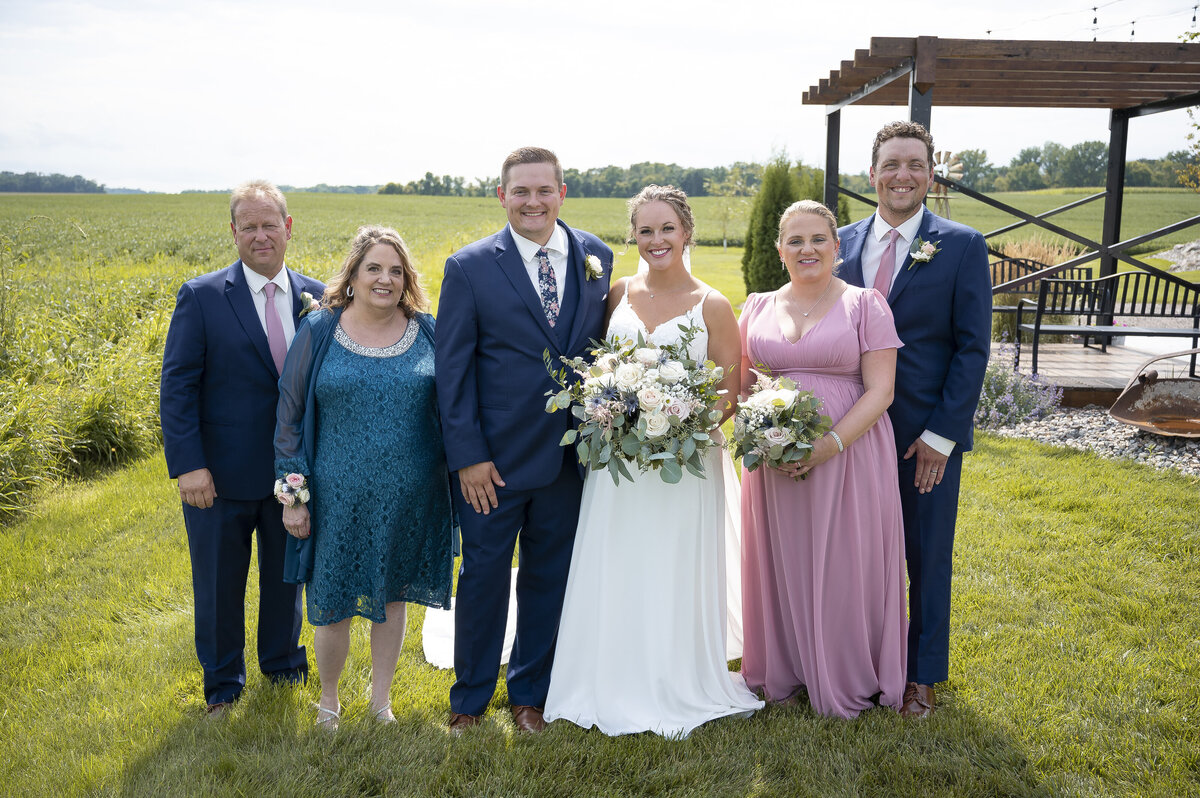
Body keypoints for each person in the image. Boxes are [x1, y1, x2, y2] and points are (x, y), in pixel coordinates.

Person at [544, 185, 763, 737]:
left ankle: (674, 674)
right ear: (634, 235)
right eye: (645, 230)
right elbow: (600, 367)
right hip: (617, 460)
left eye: (667, 228)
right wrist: (618, 416)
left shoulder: (713, 304)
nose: (656, 239)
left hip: (683, 464)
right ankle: (608, 669)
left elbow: (728, 391)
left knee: (672, 561)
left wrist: (679, 423)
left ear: (686, 231)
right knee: (618, 556)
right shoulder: (617, 293)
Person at [435, 147, 613, 733]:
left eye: (543, 190)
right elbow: (452, 371)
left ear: (562, 193)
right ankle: (468, 701)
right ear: (502, 196)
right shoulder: (469, 267)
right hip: (494, 463)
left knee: (549, 576)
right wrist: (468, 457)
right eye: (520, 192)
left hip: (569, 457)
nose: (532, 202)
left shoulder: (596, 256)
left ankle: (530, 694)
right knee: (484, 577)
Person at [837, 121, 992, 717]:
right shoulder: (839, 242)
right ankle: (852, 661)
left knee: (926, 554)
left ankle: (921, 676)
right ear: (872, 174)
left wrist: (942, 435)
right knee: (851, 550)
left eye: (915, 165)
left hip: (920, 435)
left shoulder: (962, 245)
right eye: (892, 164)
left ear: (931, 175)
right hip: (850, 429)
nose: (903, 175)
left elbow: (972, 348)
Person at [273, 226, 454, 729]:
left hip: (411, 497)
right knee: (331, 602)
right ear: (352, 275)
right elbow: (288, 417)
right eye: (373, 268)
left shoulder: (428, 330)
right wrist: (293, 496)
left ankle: (381, 703)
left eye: (396, 271)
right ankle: (328, 702)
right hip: (335, 499)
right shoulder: (319, 330)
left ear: (407, 279)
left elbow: (456, 405)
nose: (385, 279)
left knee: (391, 598)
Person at [738, 200, 907, 718]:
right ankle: (786, 668)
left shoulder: (865, 305)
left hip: (849, 454)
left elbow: (881, 391)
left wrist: (827, 445)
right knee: (783, 558)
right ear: (780, 250)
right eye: (795, 240)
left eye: (817, 240)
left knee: (844, 563)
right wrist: (763, 439)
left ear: (837, 247)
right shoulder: (756, 306)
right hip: (774, 461)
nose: (806, 249)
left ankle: (847, 671)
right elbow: (742, 387)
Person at [160, 180, 323, 716]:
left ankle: (283, 666)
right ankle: (223, 685)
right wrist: (189, 466)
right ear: (233, 232)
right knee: (218, 584)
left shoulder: (319, 297)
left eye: (269, 224)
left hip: (293, 473)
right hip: (220, 477)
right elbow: (178, 387)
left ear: (288, 227)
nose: (260, 235)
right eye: (248, 226)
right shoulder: (202, 296)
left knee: (286, 578)